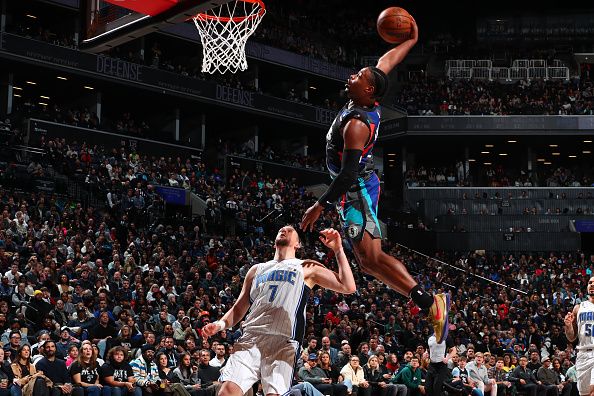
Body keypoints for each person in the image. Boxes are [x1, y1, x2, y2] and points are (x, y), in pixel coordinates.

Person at [300, 17, 449, 344]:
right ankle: (426, 302)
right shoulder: (366, 96)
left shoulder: (356, 124)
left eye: (359, 76)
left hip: (356, 192)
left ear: (367, 89)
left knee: (373, 258)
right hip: (351, 191)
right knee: (367, 262)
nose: (353, 75)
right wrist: (410, 41)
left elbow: (348, 174)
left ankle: (430, 303)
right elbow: (386, 63)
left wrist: (318, 205)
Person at [202, 226, 356, 396]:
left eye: (290, 230)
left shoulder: (305, 266)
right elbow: (239, 307)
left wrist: (338, 249)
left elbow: (348, 286)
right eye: (281, 229)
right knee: (226, 392)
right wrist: (220, 324)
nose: (284, 230)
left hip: (283, 339)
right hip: (251, 336)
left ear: (298, 244)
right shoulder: (256, 270)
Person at [564, 276, 594, 396]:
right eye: (590, 282)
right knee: (585, 393)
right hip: (582, 354)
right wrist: (568, 326)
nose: (591, 285)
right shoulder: (579, 307)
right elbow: (572, 337)